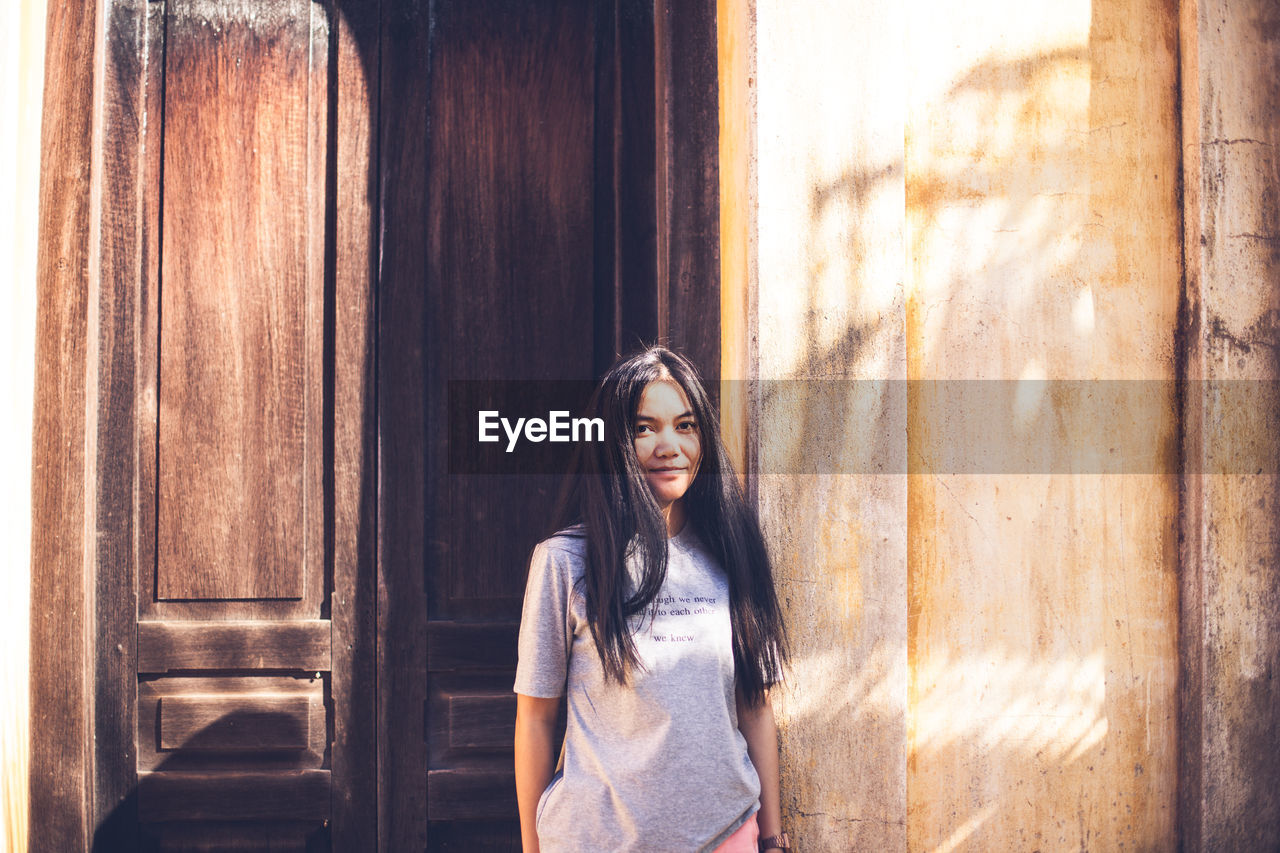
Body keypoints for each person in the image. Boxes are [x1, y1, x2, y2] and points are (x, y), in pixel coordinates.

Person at [513, 346, 791, 852]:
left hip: (724, 836)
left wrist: (771, 840)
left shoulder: (734, 553)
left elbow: (755, 704)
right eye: (644, 429)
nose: (669, 445)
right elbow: (535, 717)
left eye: (685, 426)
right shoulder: (564, 563)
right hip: (594, 840)